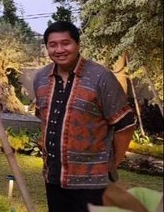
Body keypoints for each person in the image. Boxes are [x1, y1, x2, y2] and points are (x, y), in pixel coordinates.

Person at [33, 21, 135, 212]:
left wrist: (112, 163)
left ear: (78, 44)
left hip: (92, 183)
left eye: (66, 43)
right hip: (54, 177)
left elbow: (125, 125)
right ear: (46, 47)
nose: (59, 49)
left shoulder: (101, 77)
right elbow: (44, 120)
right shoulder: (40, 79)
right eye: (52, 44)